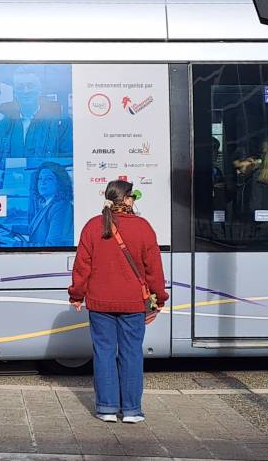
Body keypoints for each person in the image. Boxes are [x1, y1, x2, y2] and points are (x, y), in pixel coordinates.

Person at [68, 180, 168, 424]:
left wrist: (77, 295)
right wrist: (159, 298)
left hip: (100, 302)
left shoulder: (93, 226)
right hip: (133, 303)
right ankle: (132, 410)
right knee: (132, 353)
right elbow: (154, 269)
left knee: (103, 353)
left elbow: (82, 265)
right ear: (127, 199)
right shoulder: (143, 228)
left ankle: (107, 408)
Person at [0, 66, 72, 158]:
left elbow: (66, 160)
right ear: (15, 93)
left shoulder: (60, 124)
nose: (26, 91)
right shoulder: (3, 127)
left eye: (30, 86)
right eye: (20, 87)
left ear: (40, 90)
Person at [27, 162, 74, 246]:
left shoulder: (61, 207)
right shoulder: (47, 204)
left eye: (48, 178)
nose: (42, 182)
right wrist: (12, 228)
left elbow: (52, 245)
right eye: (40, 179)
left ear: (60, 183)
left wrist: (14, 244)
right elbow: (34, 228)